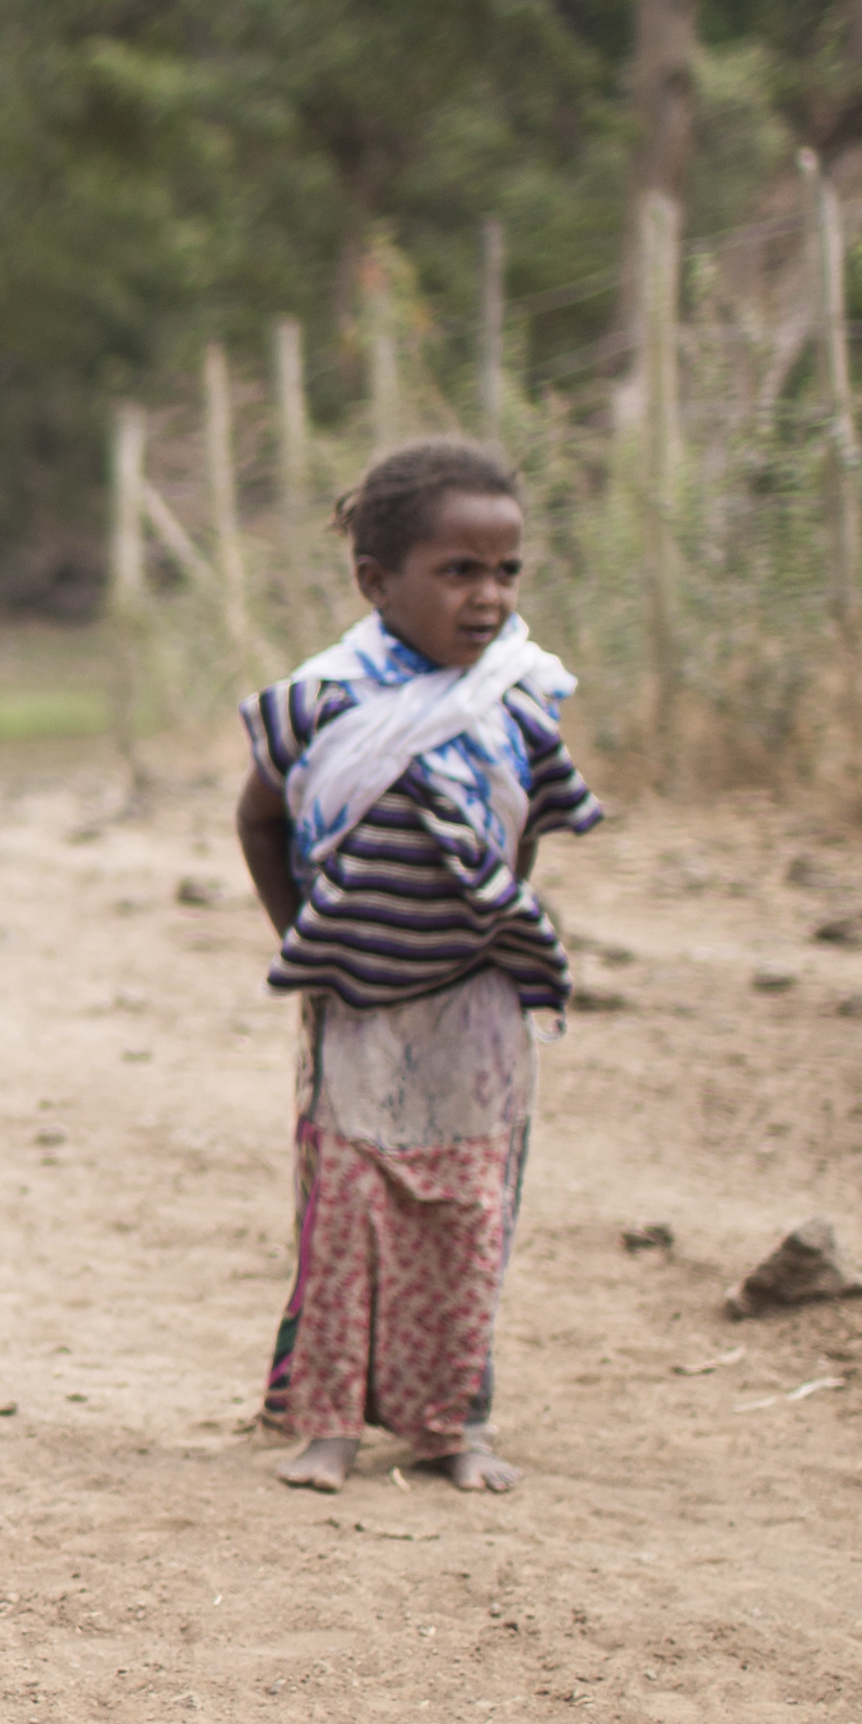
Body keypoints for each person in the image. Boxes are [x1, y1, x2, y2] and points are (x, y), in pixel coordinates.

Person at [232, 437, 606, 1496]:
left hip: (478, 1009)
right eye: (457, 572)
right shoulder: (324, 700)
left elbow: (520, 838)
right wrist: (310, 942)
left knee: (471, 1214)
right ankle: (328, 1427)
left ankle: (451, 1424)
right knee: (347, 1214)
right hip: (356, 1006)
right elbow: (260, 819)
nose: (487, 597)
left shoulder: (519, 698)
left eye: (505, 572)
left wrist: (484, 926)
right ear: (374, 582)